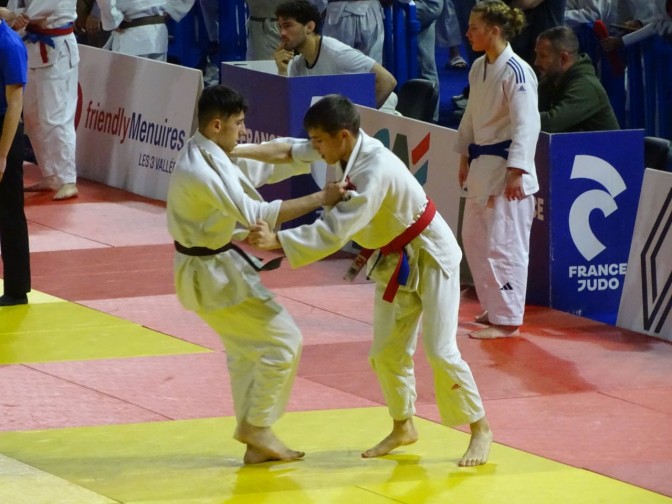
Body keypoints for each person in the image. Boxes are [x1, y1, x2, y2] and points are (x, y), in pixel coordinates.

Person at [237, 94, 493, 467]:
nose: (316, 148)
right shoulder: (340, 148)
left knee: (440, 350)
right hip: (393, 259)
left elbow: (336, 232)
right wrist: (234, 150)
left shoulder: (374, 171)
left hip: (431, 254)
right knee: (386, 353)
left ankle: (480, 429)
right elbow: (288, 152)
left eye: (320, 141)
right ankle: (403, 425)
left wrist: (277, 240)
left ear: (342, 136)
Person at [166, 85, 345, 464]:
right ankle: (257, 427)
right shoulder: (201, 170)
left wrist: (320, 146)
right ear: (217, 125)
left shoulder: (215, 152)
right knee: (283, 342)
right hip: (209, 273)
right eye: (239, 124)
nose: (244, 132)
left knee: (247, 351)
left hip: (214, 267)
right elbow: (258, 214)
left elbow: (276, 155)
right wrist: (321, 199)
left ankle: (255, 438)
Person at [456, 0, 540, 339]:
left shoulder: (518, 71)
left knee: (504, 245)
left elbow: (527, 124)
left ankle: (508, 321)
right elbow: (471, 116)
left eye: (474, 27)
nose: (468, 33)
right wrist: (463, 154)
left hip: (508, 171)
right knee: (475, 241)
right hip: (482, 166)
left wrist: (518, 169)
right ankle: (494, 307)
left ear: (494, 30)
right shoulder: (479, 67)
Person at [3, 0, 79, 201]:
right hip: (32, 45)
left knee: (56, 117)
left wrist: (22, 16)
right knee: (32, 116)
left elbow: (47, 4)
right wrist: (13, 14)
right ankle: (50, 174)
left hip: (58, 48)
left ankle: (68, 179)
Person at [273, 0, 397, 109]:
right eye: (280, 27)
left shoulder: (337, 53)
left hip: (383, 107)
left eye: (288, 26)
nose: (282, 33)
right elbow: (290, 109)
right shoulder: (298, 64)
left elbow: (388, 81)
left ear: (309, 27)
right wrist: (282, 71)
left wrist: (358, 120)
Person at [535, 26, 620, 133]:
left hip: (601, 149)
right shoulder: (549, 82)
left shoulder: (586, 86)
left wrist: (514, 117)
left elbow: (552, 123)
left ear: (563, 58)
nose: (536, 62)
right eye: (536, 54)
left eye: (543, 56)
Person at [0, 13, 31, 306]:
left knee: (8, 209)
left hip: (4, 128)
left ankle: (17, 288)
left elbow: (15, 104)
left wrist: (2, 155)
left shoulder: (9, 45)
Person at [95, 0, 195, 61]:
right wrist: (173, 8)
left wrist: (114, 19)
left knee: (128, 93)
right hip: (158, 36)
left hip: (129, 36)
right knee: (153, 92)